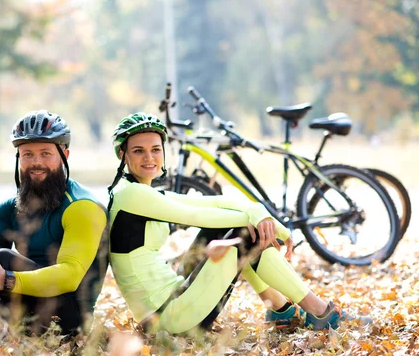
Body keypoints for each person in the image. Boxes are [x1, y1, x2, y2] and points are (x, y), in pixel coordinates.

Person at [106, 112, 372, 334]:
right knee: (245, 233)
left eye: (155, 149)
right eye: (138, 151)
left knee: (231, 229)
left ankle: (280, 309)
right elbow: (197, 217)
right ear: (123, 155)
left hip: (173, 298)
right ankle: (320, 312)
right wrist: (270, 225)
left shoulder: (142, 192)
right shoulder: (131, 194)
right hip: (168, 317)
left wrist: (259, 212)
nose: (149, 158)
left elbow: (215, 203)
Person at [0, 110, 108, 338]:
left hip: (68, 320)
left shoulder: (82, 207)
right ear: (18, 158)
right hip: (23, 307)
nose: (36, 162)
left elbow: (70, 276)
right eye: (28, 155)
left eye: (46, 153)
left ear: (65, 155)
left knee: (4, 259)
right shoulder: (7, 209)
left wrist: (6, 279)